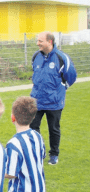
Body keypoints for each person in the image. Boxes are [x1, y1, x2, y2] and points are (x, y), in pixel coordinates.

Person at [29, 31, 77, 165]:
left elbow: (71, 76)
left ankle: (54, 154)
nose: (37, 43)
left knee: (54, 129)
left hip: (54, 102)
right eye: (37, 40)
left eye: (40, 41)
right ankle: (40, 151)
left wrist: (60, 89)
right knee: (33, 127)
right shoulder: (36, 56)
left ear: (49, 42)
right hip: (37, 100)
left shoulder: (61, 58)